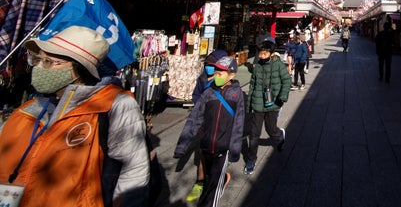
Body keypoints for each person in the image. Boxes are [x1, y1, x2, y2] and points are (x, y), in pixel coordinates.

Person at [0, 26, 150, 207]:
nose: (39, 67)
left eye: (49, 61)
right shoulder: (28, 108)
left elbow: (134, 172)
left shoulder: (114, 105)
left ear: (78, 70)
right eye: (38, 59)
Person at [174, 55, 244, 207]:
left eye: (221, 74)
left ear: (231, 75)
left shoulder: (236, 94)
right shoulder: (208, 93)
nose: (216, 76)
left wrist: (235, 149)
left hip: (223, 146)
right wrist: (182, 146)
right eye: (216, 72)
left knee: (213, 187)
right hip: (206, 144)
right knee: (209, 178)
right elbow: (194, 119)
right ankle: (218, 184)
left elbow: (239, 123)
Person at [244, 38, 292, 175]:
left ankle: (279, 135)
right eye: (260, 53)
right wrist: (249, 104)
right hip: (258, 104)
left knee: (271, 130)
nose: (261, 56)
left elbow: (286, 80)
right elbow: (252, 85)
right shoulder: (258, 66)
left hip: (273, 103)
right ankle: (251, 159)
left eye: (264, 54)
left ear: (271, 54)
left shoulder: (278, 66)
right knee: (254, 134)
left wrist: (282, 97)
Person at [185, 49, 228, 202]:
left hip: (219, 121)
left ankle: (218, 179)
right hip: (204, 120)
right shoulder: (203, 78)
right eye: (208, 64)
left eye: (213, 64)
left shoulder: (226, 81)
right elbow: (196, 95)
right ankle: (200, 181)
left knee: (217, 152)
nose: (209, 67)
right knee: (203, 151)